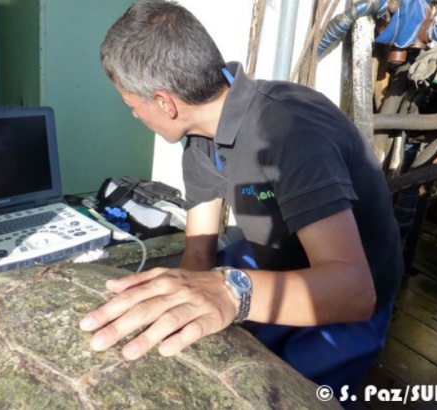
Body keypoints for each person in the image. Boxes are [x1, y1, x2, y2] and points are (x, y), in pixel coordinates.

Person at [79, 0, 404, 399]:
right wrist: (176, 312)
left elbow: (355, 292)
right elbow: (198, 256)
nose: (133, 115)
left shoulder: (288, 130)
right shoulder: (199, 141)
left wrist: (233, 292)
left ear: (165, 102)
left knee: (281, 394)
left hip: (345, 300)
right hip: (273, 263)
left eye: (132, 105)